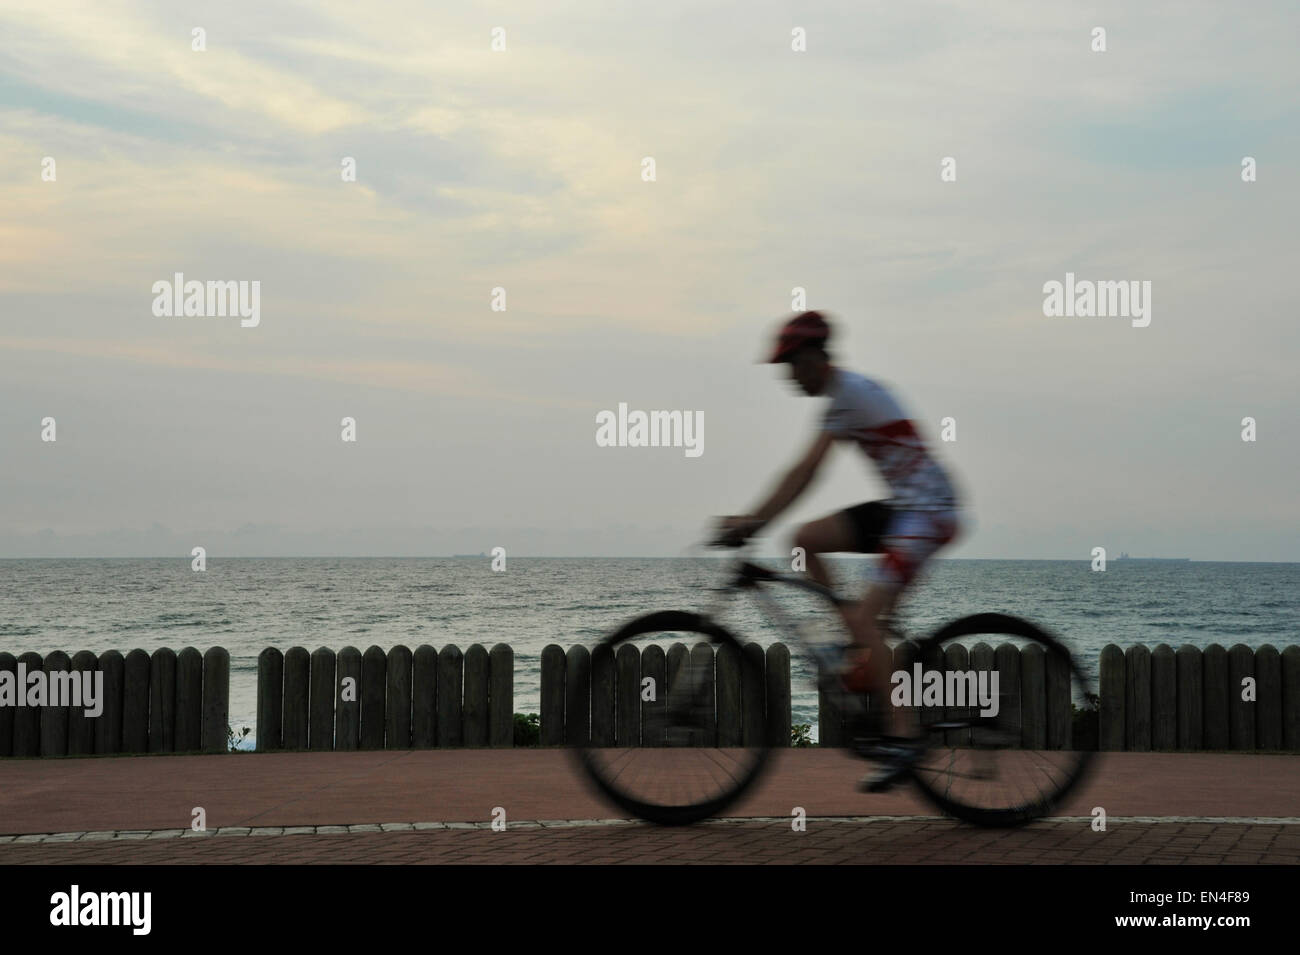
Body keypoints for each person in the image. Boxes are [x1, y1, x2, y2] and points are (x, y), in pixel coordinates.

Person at [715, 310, 963, 790]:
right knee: (804, 541)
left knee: (868, 621)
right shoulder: (844, 397)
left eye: (792, 365)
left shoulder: (848, 396)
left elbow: (805, 472)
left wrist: (753, 521)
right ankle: (856, 644)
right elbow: (805, 474)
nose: (789, 377)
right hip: (904, 508)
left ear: (813, 358)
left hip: (928, 513)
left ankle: (904, 738)